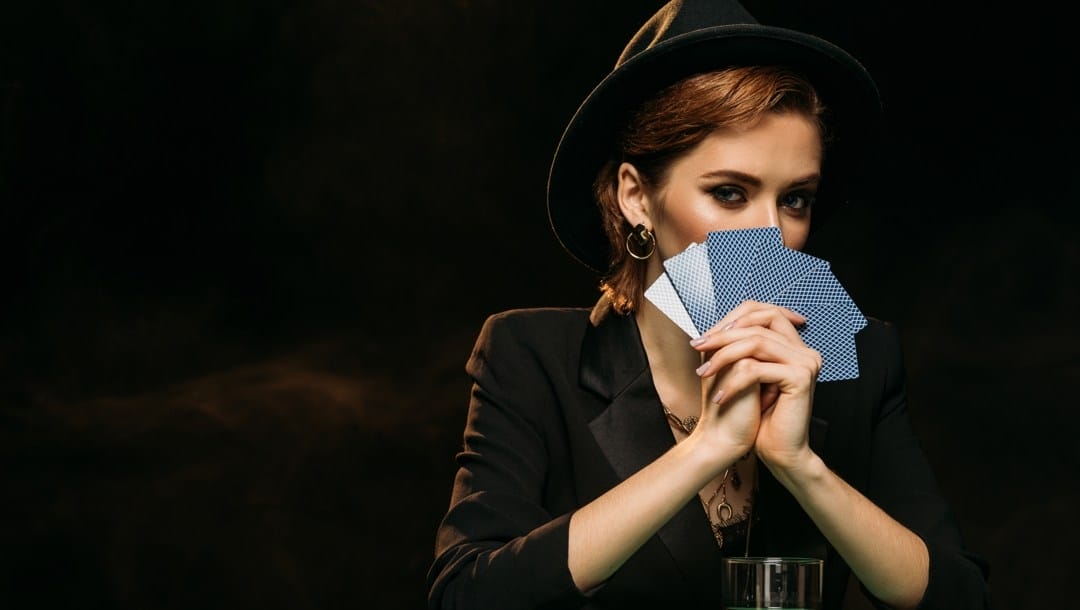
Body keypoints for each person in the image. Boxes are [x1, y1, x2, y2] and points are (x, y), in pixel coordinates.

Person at [427, 1, 990, 608]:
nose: (771, 234)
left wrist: (803, 467)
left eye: (796, 199)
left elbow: (961, 598)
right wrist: (704, 452)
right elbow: (465, 596)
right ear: (636, 198)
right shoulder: (531, 358)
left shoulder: (857, 360)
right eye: (729, 193)